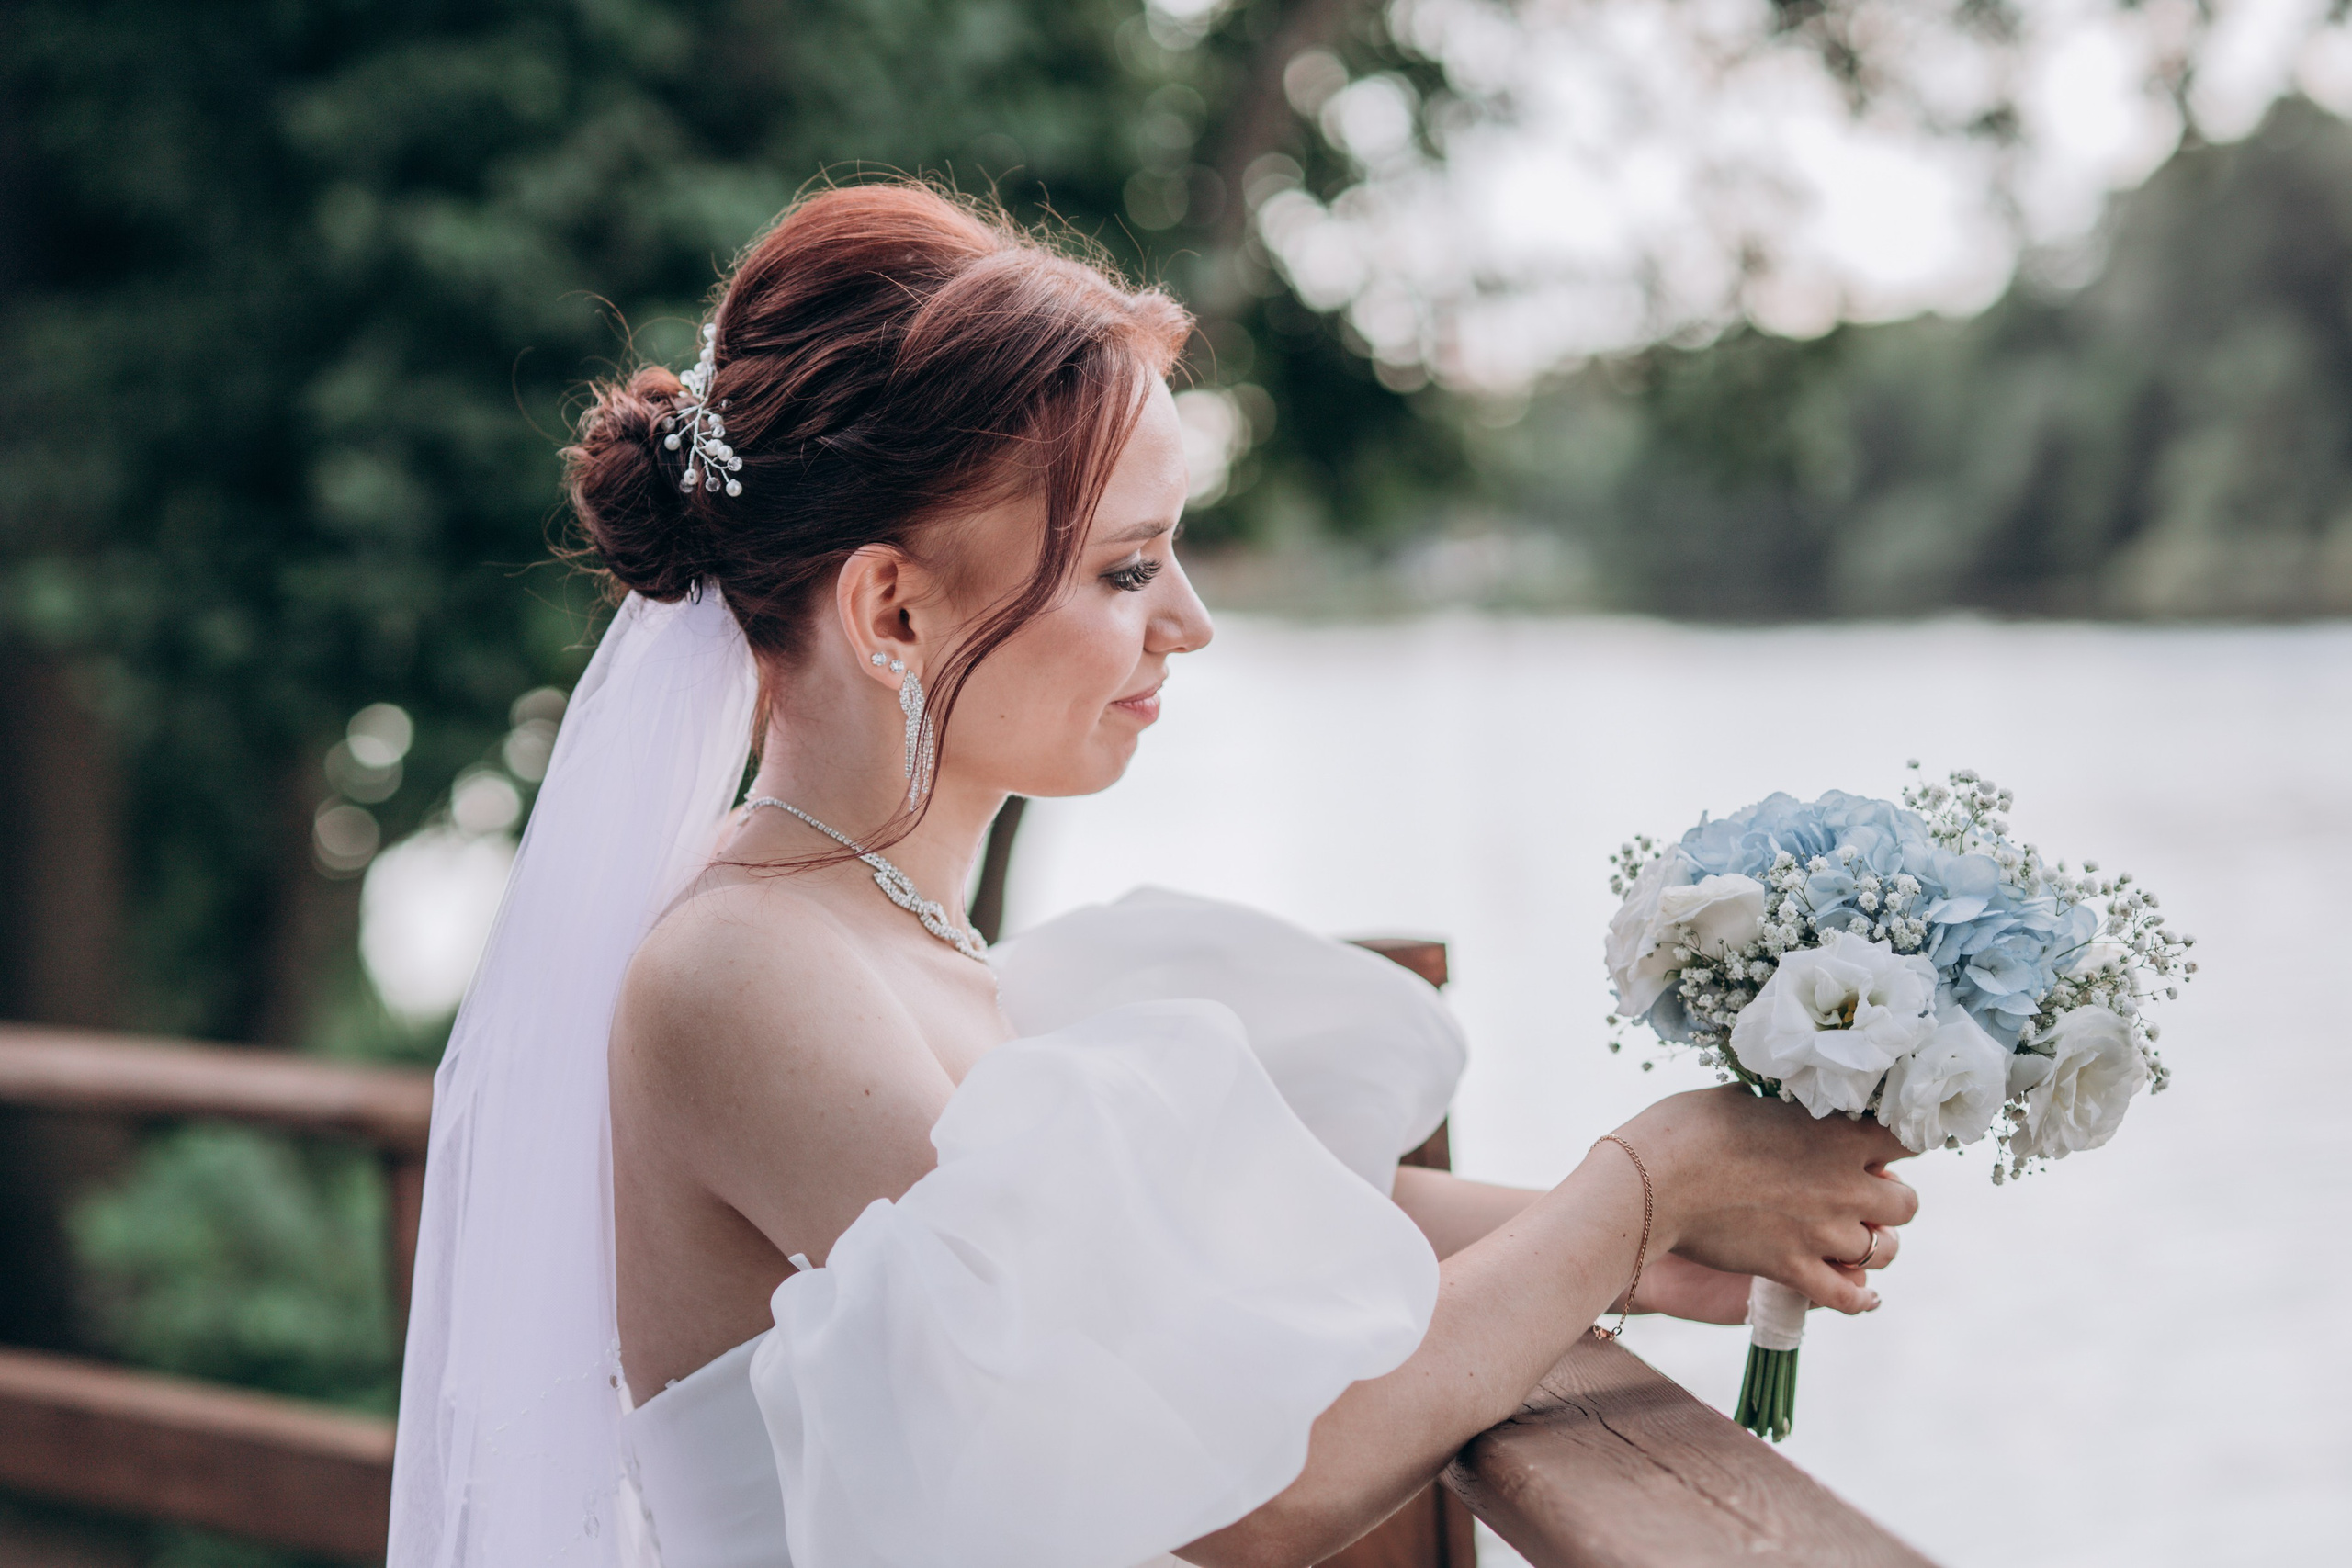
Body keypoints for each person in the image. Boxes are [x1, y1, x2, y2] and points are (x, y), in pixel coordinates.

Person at [389, 182, 1916, 1568]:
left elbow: (1249, 1228)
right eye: (1127, 568)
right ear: (891, 615)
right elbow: (1241, 1481)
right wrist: (1635, 1186)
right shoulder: (743, 974)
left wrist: (1665, 1230)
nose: (1187, 620)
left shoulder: (884, 926)